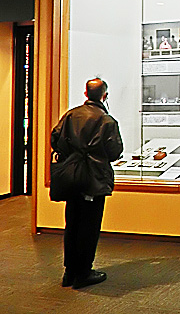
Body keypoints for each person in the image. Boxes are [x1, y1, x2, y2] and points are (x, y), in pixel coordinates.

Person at [50, 78, 123, 289]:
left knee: (72, 223)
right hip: (94, 179)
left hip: (72, 176)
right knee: (89, 226)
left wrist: (72, 155)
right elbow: (114, 151)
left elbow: (55, 140)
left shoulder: (71, 115)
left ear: (85, 93)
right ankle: (83, 273)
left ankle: (69, 272)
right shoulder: (107, 121)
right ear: (104, 96)